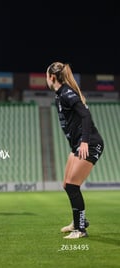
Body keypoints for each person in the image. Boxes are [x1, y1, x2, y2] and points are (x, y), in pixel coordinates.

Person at [46, 62, 104, 239]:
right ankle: (79, 221)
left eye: (46, 76)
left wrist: (85, 141)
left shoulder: (66, 94)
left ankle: (81, 230)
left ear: (52, 77)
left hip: (90, 143)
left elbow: (86, 115)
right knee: (66, 185)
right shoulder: (60, 95)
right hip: (77, 144)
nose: (46, 79)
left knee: (72, 185)